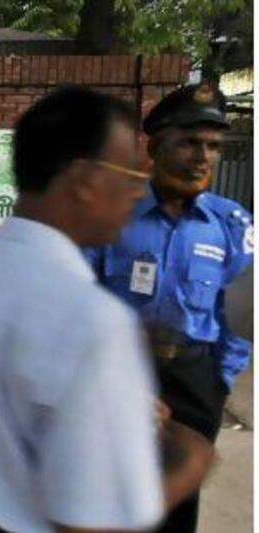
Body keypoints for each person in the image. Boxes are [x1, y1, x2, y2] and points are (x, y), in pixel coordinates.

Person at [0, 86, 214, 533]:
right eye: (132, 174)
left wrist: (114, 400)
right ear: (84, 182)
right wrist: (192, 463)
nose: (139, 192)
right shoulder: (91, 321)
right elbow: (90, 522)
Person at [85, 83, 253, 532]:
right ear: (155, 147)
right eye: (189, 143)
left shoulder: (232, 224)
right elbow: (82, 298)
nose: (202, 157)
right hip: (122, 373)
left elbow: (243, 312)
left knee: (176, 503)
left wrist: (219, 379)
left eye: (213, 146)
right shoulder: (113, 211)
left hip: (195, 382)